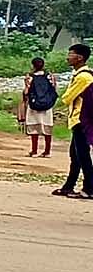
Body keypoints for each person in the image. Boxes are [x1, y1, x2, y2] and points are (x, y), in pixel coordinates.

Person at [56, 44, 93, 197]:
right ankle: (69, 185)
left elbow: (67, 98)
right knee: (75, 155)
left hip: (81, 120)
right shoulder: (80, 74)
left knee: (82, 155)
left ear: (80, 58)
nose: (67, 57)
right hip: (77, 120)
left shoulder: (84, 77)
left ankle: (89, 188)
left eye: (70, 54)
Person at [21, 57, 57, 158]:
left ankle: (34, 151)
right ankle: (47, 151)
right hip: (47, 106)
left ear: (33, 65)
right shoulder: (50, 76)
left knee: (34, 129)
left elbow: (26, 92)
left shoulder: (30, 77)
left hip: (34, 105)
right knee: (47, 128)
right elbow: (54, 89)